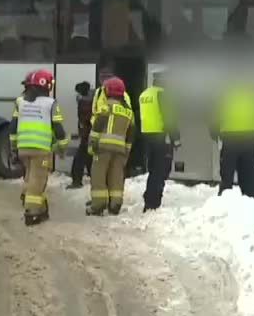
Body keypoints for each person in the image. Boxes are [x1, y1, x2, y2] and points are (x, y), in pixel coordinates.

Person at [11, 69, 68, 226]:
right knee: (38, 180)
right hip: (41, 149)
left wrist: (14, 147)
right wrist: (63, 146)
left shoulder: (20, 102)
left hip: (23, 148)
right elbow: (58, 128)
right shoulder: (50, 103)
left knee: (30, 176)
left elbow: (13, 126)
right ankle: (32, 212)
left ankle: (38, 206)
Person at [88, 76, 135, 216]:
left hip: (103, 147)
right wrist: (127, 150)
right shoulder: (129, 112)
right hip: (120, 149)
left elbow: (97, 126)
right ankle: (115, 204)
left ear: (108, 91)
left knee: (99, 175)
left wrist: (92, 145)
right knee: (116, 176)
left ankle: (98, 204)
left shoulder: (106, 107)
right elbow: (131, 133)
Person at [212, 79, 254, 199]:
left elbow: (214, 113)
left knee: (227, 175)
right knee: (250, 173)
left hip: (230, 138)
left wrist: (215, 132)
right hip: (250, 137)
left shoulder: (223, 91)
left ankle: (225, 202)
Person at [138, 69, 180, 212]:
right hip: (161, 137)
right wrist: (176, 138)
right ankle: (153, 202)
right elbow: (169, 118)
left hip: (147, 137)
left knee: (153, 170)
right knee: (161, 170)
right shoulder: (162, 94)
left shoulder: (144, 95)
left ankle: (149, 199)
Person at [69, 81, 94, 189]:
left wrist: (83, 132)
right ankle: (93, 178)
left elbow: (84, 120)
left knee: (80, 158)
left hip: (88, 134)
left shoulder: (84, 102)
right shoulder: (94, 99)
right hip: (90, 133)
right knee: (89, 157)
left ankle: (76, 181)